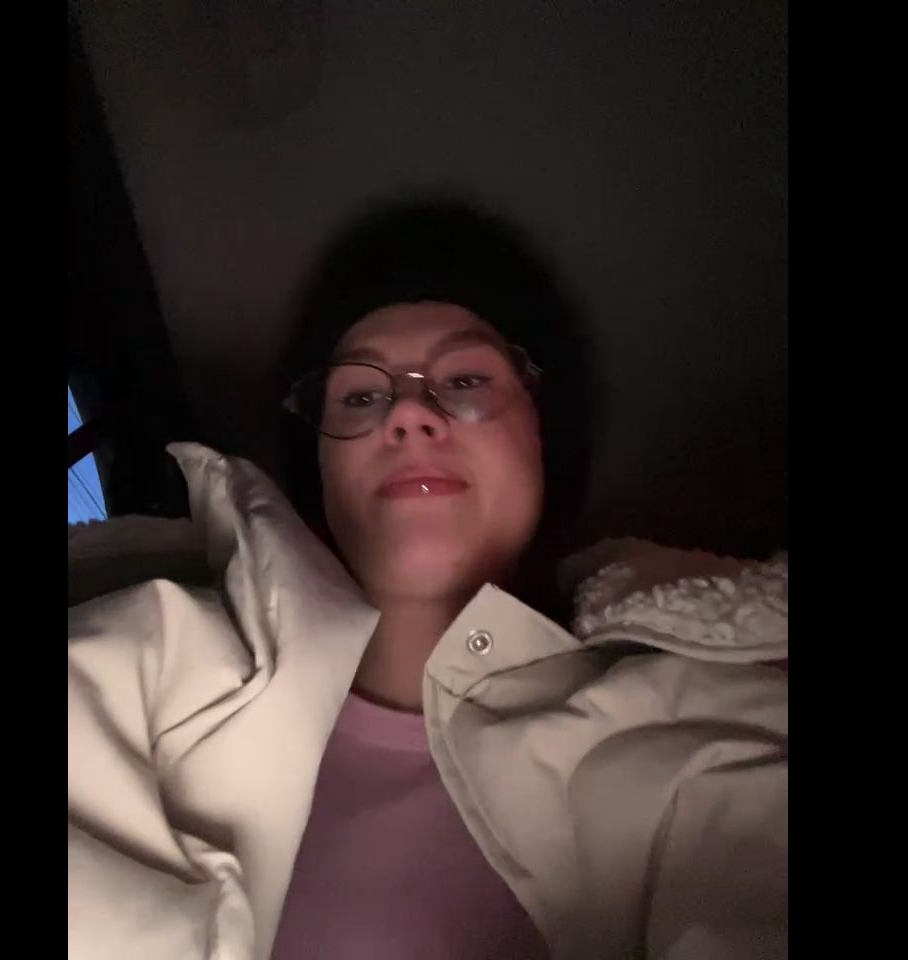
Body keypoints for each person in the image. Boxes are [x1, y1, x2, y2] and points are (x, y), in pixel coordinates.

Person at [67, 198, 787, 960]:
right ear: (319, 469)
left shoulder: (687, 731)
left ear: (545, 441)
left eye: (465, 379)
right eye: (362, 395)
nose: (408, 414)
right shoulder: (169, 683)